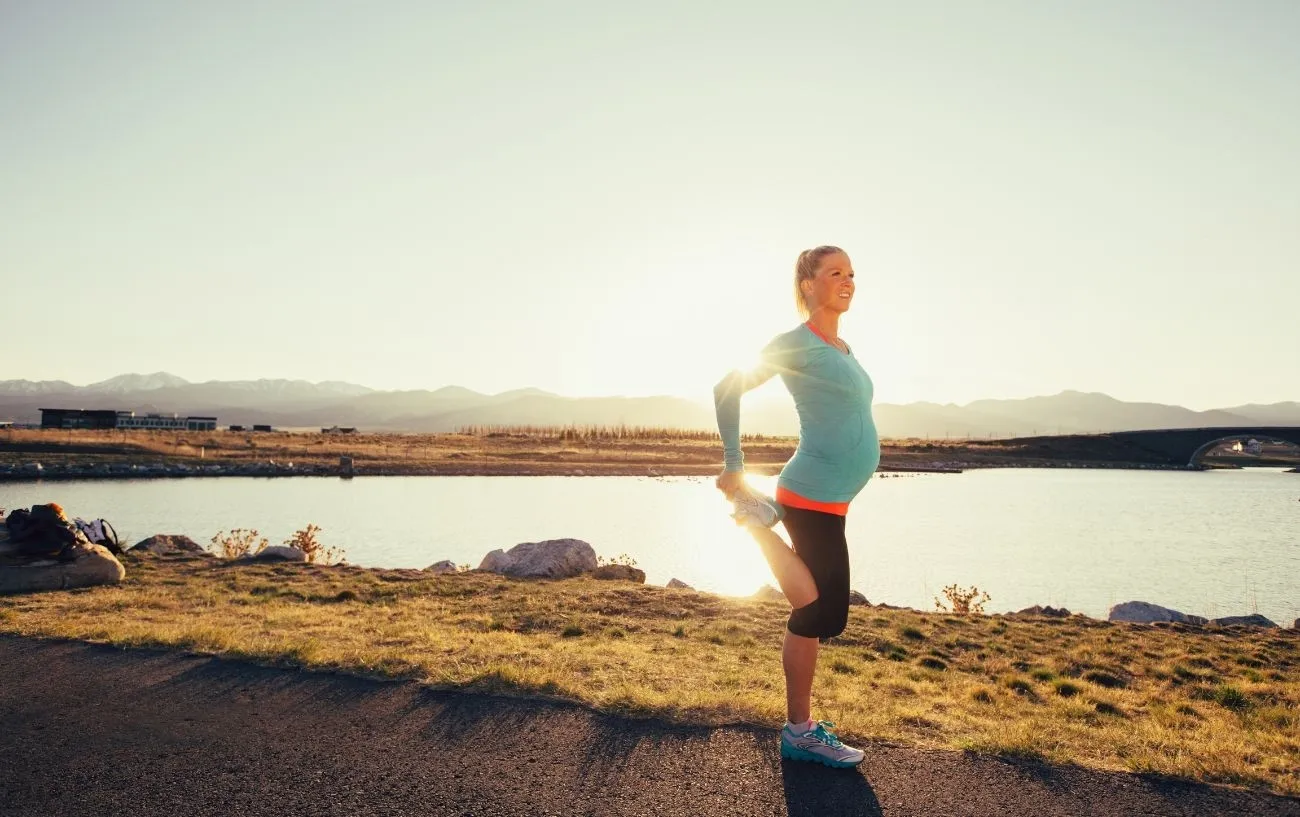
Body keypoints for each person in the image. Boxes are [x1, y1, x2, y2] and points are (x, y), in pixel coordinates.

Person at [713, 245, 880, 768]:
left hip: (830, 497)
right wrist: (735, 462)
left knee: (816, 614)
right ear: (808, 285)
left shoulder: (842, 346)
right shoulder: (798, 343)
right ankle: (756, 522)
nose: (847, 280)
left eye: (851, 273)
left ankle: (800, 730)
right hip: (809, 490)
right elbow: (727, 388)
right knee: (820, 612)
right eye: (835, 273)